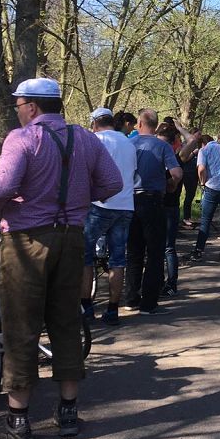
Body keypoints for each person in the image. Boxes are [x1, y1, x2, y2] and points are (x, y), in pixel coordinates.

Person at [0, 78, 122, 439]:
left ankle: (18, 421)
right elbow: (113, 183)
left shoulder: (22, 138)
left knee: (21, 326)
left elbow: (2, 186)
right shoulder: (86, 138)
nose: (17, 111)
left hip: (26, 242)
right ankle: (68, 412)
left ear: (32, 106)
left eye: (18, 105)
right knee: (66, 321)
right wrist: (80, 198)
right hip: (71, 238)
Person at [82, 107, 137, 326]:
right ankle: (113, 309)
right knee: (118, 258)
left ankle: (86, 307)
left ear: (94, 123)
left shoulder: (95, 140)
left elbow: (86, 172)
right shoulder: (128, 143)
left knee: (85, 255)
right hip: (125, 206)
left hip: (99, 205)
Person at [124, 108, 182, 315]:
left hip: (130, 200)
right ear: (156, 126)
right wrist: (171, 184)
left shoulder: (128, 144)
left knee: (134, 251)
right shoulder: (162, 146)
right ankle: (148, 303)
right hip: (153, 201)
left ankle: (131, 298)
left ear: (139, 124)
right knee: (155, 252)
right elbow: (177, 172)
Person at [156, 120, 198, 298]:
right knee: (162, 248)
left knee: (165, 248)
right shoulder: (171, 157)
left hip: (167, 207)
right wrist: (179, 128)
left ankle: (168, 283)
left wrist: (178, 128)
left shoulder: (174, 157)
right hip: (161, 207)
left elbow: (193, 140)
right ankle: (163, 283)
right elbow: (193, 140)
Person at [185, 130, 220, 264]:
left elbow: (201, 169)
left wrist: (202, 182)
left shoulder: (204, 150)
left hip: (212, 187)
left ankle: (198, 251)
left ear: (202, 143)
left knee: (206, 220)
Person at [180, 127, 202, 227]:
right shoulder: (186, 144)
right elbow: (183, 158)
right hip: (187, 172)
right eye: (198, 134)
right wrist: (193, 153)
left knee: (192, 194)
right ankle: (185, 217)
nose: (200, 136)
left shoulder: (198, 144)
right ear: (193, 134)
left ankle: (188, 216)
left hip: (195, 172)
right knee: (189, 195)